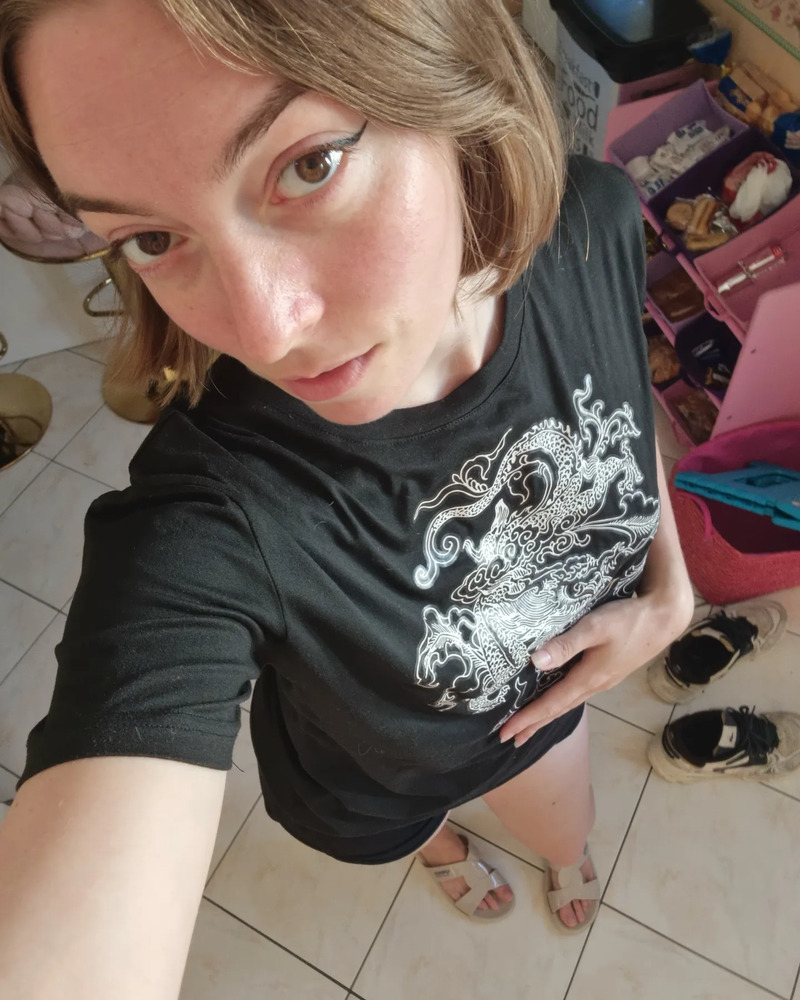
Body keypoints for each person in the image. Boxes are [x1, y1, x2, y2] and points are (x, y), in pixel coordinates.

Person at [0, 0, 694, 995]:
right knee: (402, 830)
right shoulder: (209, 512)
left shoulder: (593, 219)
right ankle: (436, 847)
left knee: (563, 827)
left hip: (533, 718)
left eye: (308, 164)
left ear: (447, 66)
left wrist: (671, 587)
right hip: (362, 787)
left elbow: (618, 399)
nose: (266, 331)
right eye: (151, 236)